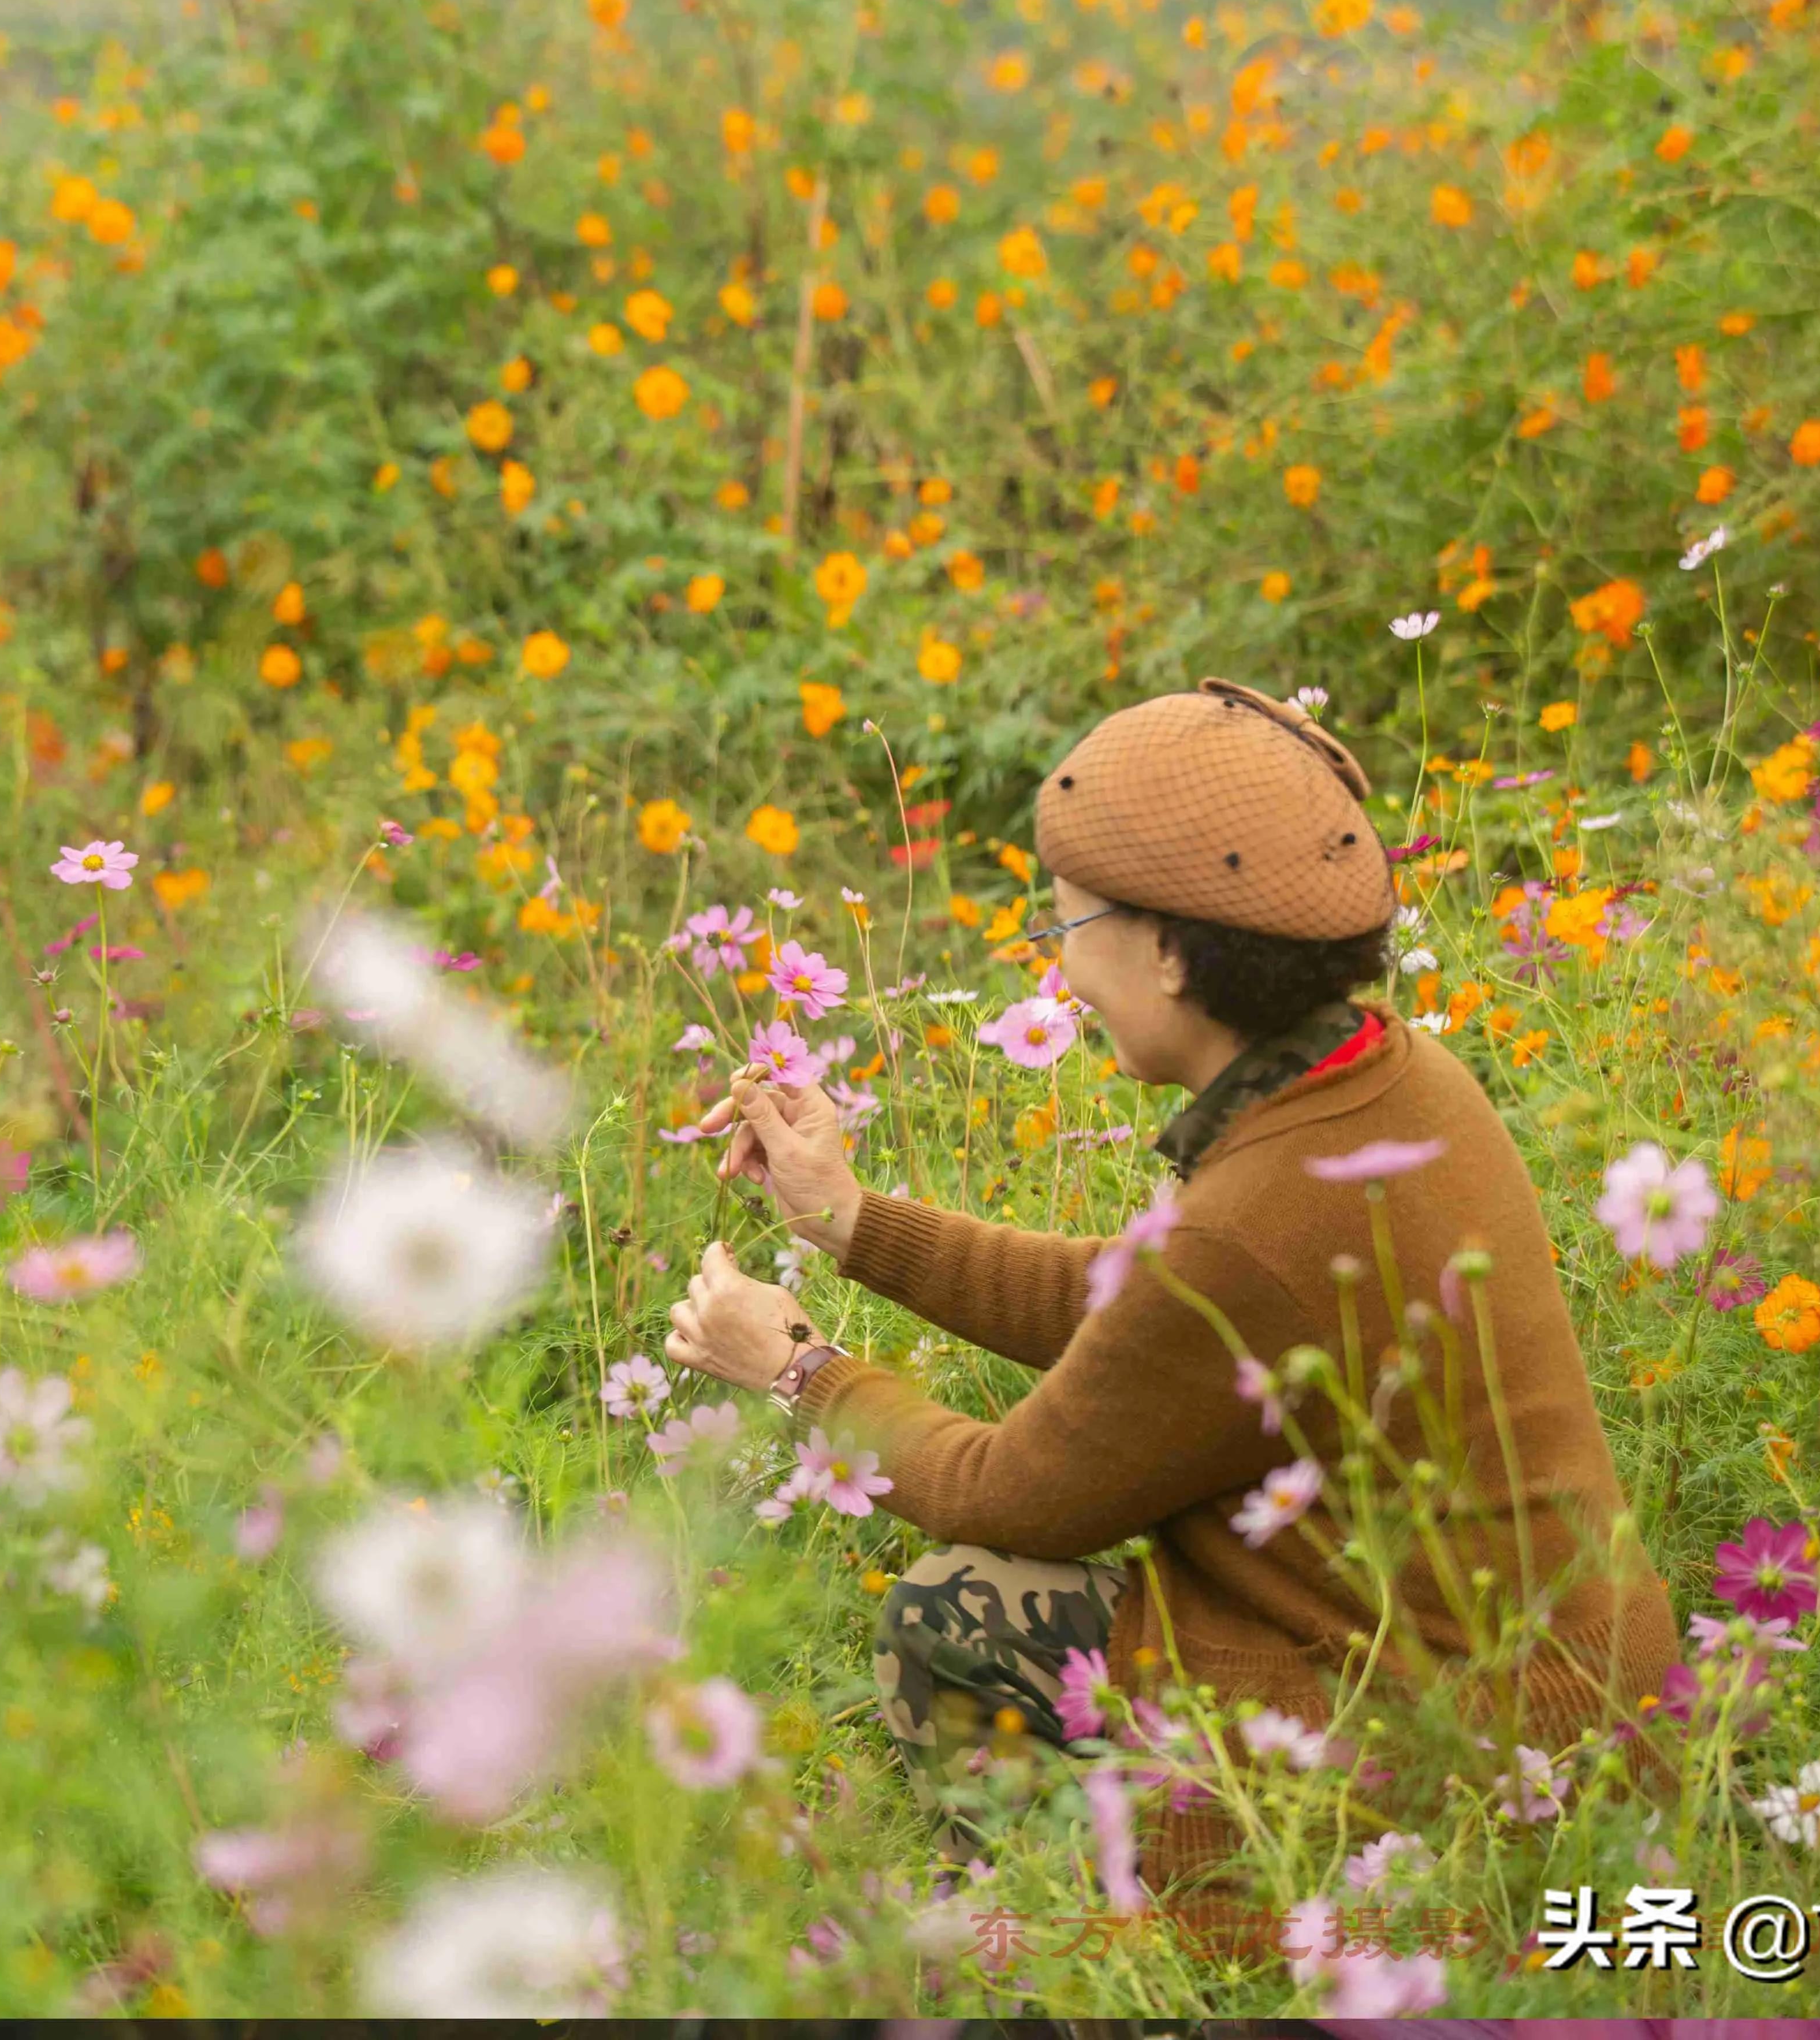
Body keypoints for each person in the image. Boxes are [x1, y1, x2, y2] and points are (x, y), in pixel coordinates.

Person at [661, 677, 1681, 1900]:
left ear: (1168, 950)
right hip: (1565, 1707)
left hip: (1450, 1772)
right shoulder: (1391, 1082)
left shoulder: (1257, 1219)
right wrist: (851, 1218)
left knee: (957, 1607)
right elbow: (1145, 1301)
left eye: (1063, 936)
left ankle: (1091, 1936)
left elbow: (1016, 1495)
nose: (1062, 980)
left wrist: (797, 1368)